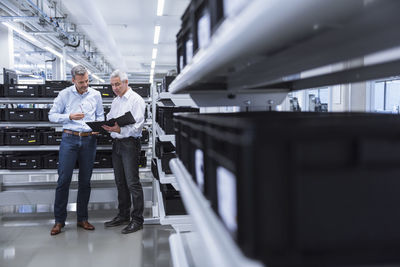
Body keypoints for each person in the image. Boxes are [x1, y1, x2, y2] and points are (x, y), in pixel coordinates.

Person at [48, 65, 104, 235]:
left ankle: (82, 218)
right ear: (73, 80)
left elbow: (100, 116)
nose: (85, 85)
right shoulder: (65, 94)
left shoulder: (95, 95)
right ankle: (59, 221)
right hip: (69, 139)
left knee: (85, 182)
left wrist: (98, 127)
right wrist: (69, 116)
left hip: (89, 140)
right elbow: (52, 115)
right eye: (81, 82)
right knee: (63, 180)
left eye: (87, 81)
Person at [103, 70, 146, 234]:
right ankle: (123, 215)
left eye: (117, 84)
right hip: (117, 144)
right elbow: (111, 117)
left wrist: (120, 129)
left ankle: (137, 220)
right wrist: (106, 126)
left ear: (126, 82)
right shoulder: (116, 101)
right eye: (112, 85)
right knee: (120, 182)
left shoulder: (136, 100)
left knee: (132, 183)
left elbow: (137, 127)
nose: (114, 88)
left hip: (129, 144)